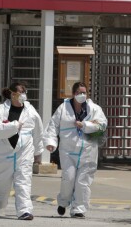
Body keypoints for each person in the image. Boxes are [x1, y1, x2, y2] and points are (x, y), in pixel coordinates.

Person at [43, 81, 107, 218]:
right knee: (69, 178)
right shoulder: (63, 108)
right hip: (68, 150)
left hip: (88, 151)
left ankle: (79, 209)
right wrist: (51, 142)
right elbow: (53, 125)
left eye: (84, 92)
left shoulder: (94, 109)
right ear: (73, 94)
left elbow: (102, 125)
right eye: (79, 93)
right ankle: (63, 202)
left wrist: (85, 125)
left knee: (83, 181)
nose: (81, 95)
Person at [0, 82, 44, 220]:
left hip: (24, 153)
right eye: (20, 92)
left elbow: (38, 132)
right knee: (2, 183)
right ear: (12, 94)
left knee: (23, 181)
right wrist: (15, 125)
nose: (23, 95)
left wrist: (38, 152)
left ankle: (25, 211)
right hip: (4, 154)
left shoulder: (31, 111)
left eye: (24, 92)